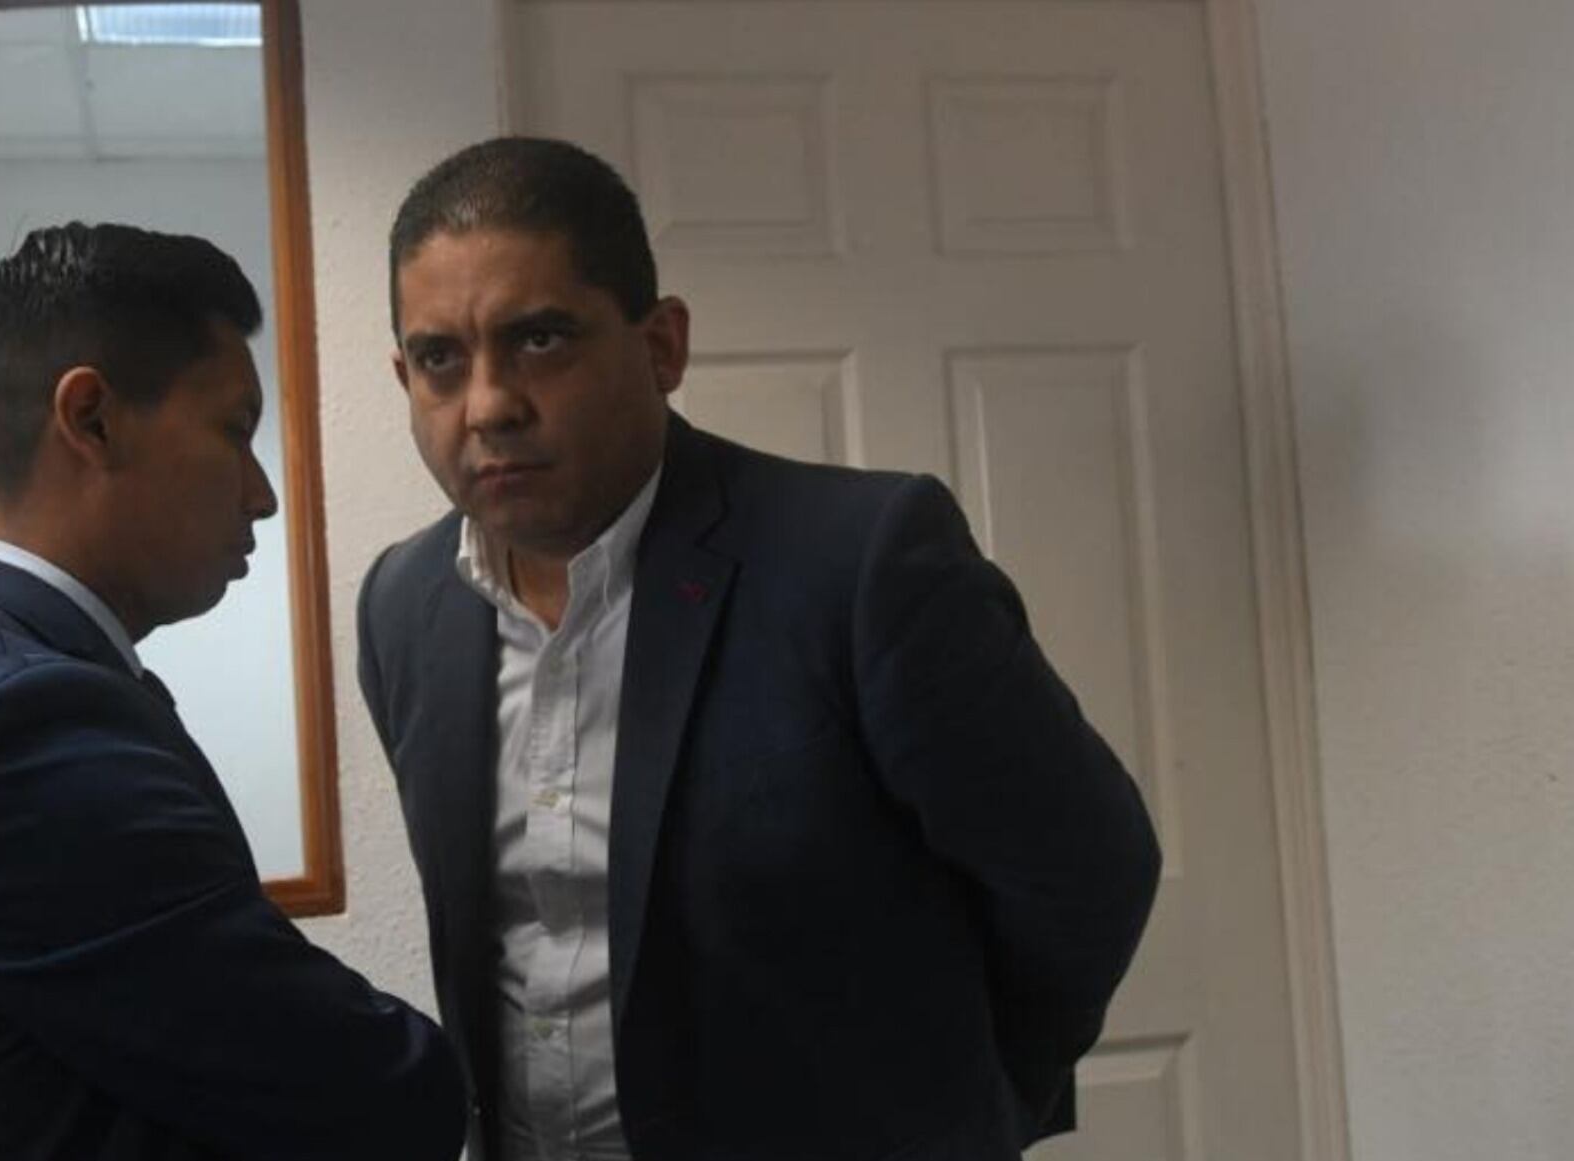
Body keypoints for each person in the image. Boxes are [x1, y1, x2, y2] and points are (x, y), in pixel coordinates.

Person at [356, 138, 1163, 1161]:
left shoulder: (857, 565)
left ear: (662, 346)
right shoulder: (405, 607)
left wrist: (952, 1113)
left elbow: (1085, 873)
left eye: (541, 339)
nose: (488, 405)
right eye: (440, 360)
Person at [0, 222, 464, 1161]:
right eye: (235, 431)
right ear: (91, 419)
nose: (261, 493)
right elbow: (362, 1090)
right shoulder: (20, 727)